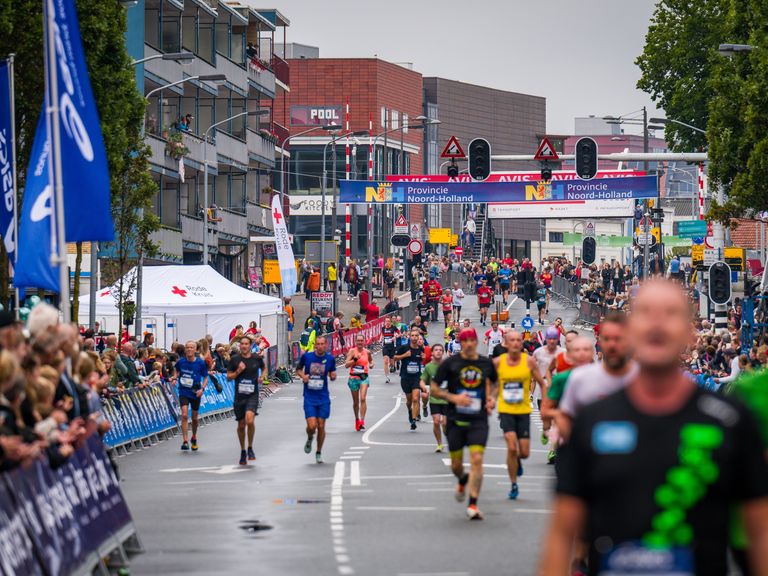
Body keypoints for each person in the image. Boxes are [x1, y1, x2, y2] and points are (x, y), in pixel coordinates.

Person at [539, 280, 768, 576]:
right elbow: (561, 533)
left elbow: (759, 532)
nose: (657, 324)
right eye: (646, 313)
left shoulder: (730, 421)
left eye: (670, 313)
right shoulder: (592, 421)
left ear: (689, 332)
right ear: (632, 330)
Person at [430, 328, 497, 520]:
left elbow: (495, 383)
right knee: (457, 465)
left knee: (477, 460)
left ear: (476, 342)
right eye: (464, 341)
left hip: (478, 419)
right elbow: (434, 388)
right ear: (460, 343)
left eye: (471, 340)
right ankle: (462, 479)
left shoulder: (485, 363)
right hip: (455, 419)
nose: (468, 344)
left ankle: (473, 504)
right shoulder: (451, 363)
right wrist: (453, 397)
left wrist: (491, 399)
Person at [558, 312, 637, 442]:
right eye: (606, 339)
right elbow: (565, 415)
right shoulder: (580, 378)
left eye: (618, 339)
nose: (612, 345)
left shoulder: (642, 379)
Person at [494, 330, 545, 500]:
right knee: (511, 446)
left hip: (523, 410)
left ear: (521, 343)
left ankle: (518, 460)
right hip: (506, 410)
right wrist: (489, 399)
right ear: (506, 343)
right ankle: (513, 483)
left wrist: (546, 402)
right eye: (512, 340)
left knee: (524, 452)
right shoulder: (498, 363)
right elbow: (490, 384)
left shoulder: (529, 362)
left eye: (518, 340)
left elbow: (541, 383)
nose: (515, 343)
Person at [296, 335, 337, 464]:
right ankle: (309, 437)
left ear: (326, 345)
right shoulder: (307, 357)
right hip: (309, 396)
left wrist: (333, 376)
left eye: (322, 344)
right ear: (315, 345)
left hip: (323, 396)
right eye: (317, 344)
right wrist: (303, 376)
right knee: (312, 426)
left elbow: (332, 373)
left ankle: (318, 452)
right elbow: (298, 369)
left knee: (321, 426)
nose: (320, 346)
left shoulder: (330, 359)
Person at [227, 336, 265, 465]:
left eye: (246, 344)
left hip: (252, 395)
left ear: (250, 345)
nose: (244, 346)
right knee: (241, 425)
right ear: (240, 346)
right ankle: (243, 450)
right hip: (239, 396)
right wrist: (238, 371)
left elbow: (264, 368)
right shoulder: (235, 359)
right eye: (242, 344)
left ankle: (250, 447)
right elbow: (228, 377)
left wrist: (262, 377)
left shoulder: (256, 358)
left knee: (250, 420)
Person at [175, 341, 209, 451]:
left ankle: (194, 437)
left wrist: (202, 389)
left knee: (194, 418)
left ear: (195, 350)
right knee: (184, 415)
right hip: (184, 391)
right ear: (185, 350)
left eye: (191, 347)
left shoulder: (200, 363)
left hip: (195, 392)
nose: (189, 349)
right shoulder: (181, 362)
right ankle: (185, 441)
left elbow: (205, 377)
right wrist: (174, 378)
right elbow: (177, 371)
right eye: (187, 347)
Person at [394, 327, 425, 431]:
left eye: (416, 336)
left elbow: (422, 361)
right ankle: (409, 411)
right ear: (409, 337)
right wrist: (404, 355)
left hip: (416, 377)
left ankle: (413, 420)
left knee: (416, 399)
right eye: (412, 336)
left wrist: (424, 358)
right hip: (405, 377)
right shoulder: (404, 347)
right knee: (409, 400)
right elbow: (395, 358)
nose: (415, 338)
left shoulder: (421, 349)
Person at [421, 343, 447, 452]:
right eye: (436, 350)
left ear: (443, 352)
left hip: (447, 399)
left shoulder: (448, 365)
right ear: (432, 352)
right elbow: (422, 380)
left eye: (440, 350)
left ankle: (449, 435)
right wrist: (424, 388)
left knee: (445, 423)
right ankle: (440, 444)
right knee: (436, 421)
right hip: (434, 399)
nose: (438, 352)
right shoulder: (429, 367)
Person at [344, 334, 373, 431]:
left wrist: (372, 364)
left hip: (364, 377)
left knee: (363, 398)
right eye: (358, 341)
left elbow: (371, 361)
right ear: (355, 342)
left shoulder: (367, 352)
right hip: (353, 378)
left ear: (364, 341)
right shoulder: (352, 351)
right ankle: (357, 419)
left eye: (361, 340)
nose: (360, 342)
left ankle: (362, 421)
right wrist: (355, 359)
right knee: (356, 402)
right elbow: (346, 365)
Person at [381, 316, 399, 383]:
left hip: (392, 347)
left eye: (388, 321)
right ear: (385, 322)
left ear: (390, 321)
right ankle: (387, 377)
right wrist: (381, 338)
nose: (387, 322)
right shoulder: (383, 328)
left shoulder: (393, 328)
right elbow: (382, 335)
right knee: (385, 361)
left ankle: (392, 366)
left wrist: (395, 337)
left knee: (391, 363)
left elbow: (399, 334)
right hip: (385, 346)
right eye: (386, 321)